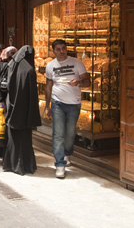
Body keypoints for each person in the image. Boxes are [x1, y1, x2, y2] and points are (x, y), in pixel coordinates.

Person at [44, 39, 91, 179]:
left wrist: (79, 82)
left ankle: (67, 153)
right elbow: (48, 86)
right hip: (57, 102)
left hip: (74, 103)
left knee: (70, 133)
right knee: (58, 133)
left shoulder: (77, 63)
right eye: (58, 49)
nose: (61, 51)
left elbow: (88, 82)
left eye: (63, 48)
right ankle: (59, 164)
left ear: (66, 49)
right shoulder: (50, 66)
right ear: (54, 51)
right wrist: (47, 106)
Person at [2, 45, 42, 175]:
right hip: (24, 111)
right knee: (24, 139)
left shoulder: (12, 66)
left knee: (13, 138)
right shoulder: (29, 70)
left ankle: (11, 164)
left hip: (12, 108)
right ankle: (24, 165)